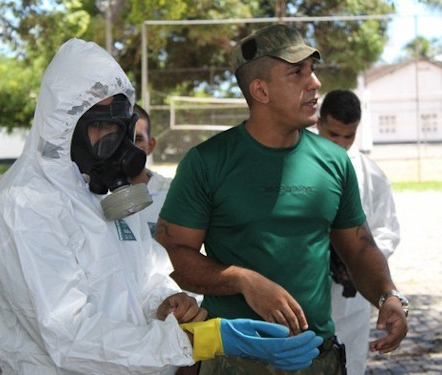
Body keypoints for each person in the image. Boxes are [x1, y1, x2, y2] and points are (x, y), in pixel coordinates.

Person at [0, 38, 323, 375]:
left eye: (124, 129)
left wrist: (167, 302)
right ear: (64, 126)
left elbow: (144, 276)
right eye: (103, 128)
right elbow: (69, 338)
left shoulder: (101, 191)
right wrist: (200, 340)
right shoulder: (21, 208)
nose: (119, 145)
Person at [156, 24, 409, 375]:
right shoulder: (208, 162)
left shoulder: (334, 162)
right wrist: (244, 281)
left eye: (313, 70)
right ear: (260, 90)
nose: (315, 83)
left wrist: (388, 296)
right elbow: (177, 257)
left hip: (317, 357)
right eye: (296, 73)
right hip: (235, 359)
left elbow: (360, 247)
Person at [317, 89, 401, 375]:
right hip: (302, 288)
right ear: (318, 122)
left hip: (350, 297)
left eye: (348, 136)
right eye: (333, 134)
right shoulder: (291, 163)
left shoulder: (371, 175)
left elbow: (387, 230)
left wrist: (354, 262)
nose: (341, 144)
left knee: (349, 362)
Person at [131, 103, 173, 238]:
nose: (128, 147)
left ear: (150, 145)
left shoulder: (173, 193)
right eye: (121, 138)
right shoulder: (89, 194)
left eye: (137, 139)